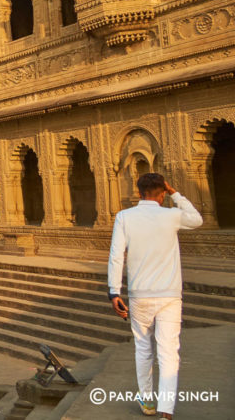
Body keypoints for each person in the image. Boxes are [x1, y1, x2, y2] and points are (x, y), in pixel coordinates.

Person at [108, 173, 203, 419]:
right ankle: (166, 410)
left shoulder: (124, 217)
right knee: (169, 351)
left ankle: (147, 401)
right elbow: (197, 219)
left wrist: (114, 291)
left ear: (139, 192)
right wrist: (176, 193)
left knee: (143, 348)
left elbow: (117, 256)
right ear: (162, 193)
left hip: (140, 295)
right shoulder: (171, 215)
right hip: (169, 295)